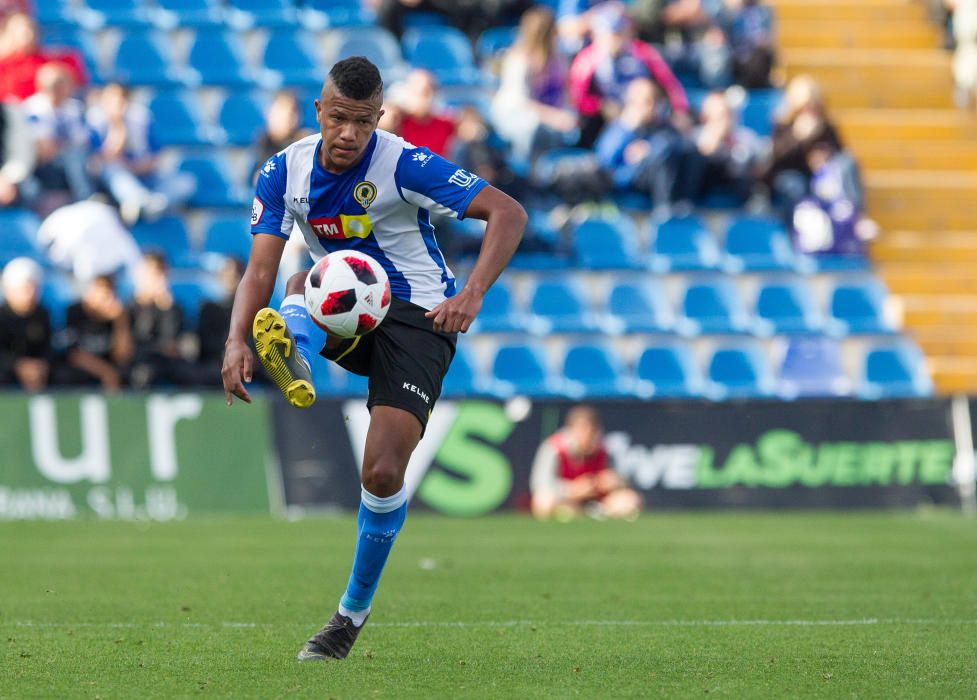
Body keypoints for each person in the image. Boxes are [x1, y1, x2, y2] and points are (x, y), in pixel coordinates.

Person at [221, 57, 526, 660]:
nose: (348, 134)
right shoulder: (284, 172)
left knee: (382, 473)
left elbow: (509, 213)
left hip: (420, 318)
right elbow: (258, 267)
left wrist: (471, 293)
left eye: (362, 122)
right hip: (345, 305)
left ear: (378, 118)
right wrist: (235, 340)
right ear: (319, 111)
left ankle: (348, 616)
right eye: (338, 119)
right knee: (300, 277)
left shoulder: (403, 162)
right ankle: (295, 353)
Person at [568, 2, 690, 148]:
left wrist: (679, 110)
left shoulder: (643, 52)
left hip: (645, 114)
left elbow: (670, 84)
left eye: (619, 32)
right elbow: (576, 98)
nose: (615, 39)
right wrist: (600, 105)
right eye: (610, 33)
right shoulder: (586, 61)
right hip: (607, 120)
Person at [88, 82, 189, 224]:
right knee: (116, 173)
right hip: (116, 178)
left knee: (185, 182)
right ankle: (138, 200)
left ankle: (150, 205)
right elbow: (106, 158)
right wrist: (118, 125)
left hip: (144, 173)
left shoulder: (142, 117)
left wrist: (137, 167)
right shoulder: (95, 119)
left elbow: (155, 156)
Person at [491, 6, 577, 162]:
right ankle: (532, 173)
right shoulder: (519, 60)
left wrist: (566, 113)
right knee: (537, 128)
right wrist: (553, 117)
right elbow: (521, 102)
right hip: (516, 115)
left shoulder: (558, 57)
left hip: (547, 112)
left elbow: (565, 92)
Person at [595, 77, 697, 209]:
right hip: (623, 180)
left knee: (686, 151)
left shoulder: (660, 127)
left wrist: (650, 149)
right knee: (662, 152)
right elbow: (604, 162)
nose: (646, 107)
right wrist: (627, 128)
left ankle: (684, 208)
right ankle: (664, 211)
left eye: (651, 101)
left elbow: (675, 144)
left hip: (654, 178)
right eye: (638, 101)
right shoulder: (619, 128)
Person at [530, 405, 642, 520]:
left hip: (598, 502)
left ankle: (596, 514)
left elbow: (624, 482)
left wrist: (614, 482)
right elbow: (541, 485)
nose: (586, 435)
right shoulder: (553, 448)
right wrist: (572, 490)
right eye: (581, 429)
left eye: (591, 430)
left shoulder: (605, 449)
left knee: (630, 500)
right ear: (571, 429)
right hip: (567, 500)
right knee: (543, 501)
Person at [23, 62, 93, 207]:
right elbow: (44, 150)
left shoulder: (74, 108)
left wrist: (62, 145)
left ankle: (88, 200)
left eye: (62, 84)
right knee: (74, 156)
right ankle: (86, 198)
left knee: (80, 158)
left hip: (69, 163)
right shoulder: (32, 109)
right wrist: (66, 145)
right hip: (40, 167)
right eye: (54, 86)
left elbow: (83, 141)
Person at [128, 251, 194, 388]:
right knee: (141, 376)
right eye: (151, 273)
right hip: (140, 361)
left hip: (168, 362)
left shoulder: (173, 308)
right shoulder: (130, 307)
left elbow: (172, 342)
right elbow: (137, 339)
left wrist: (166, 307)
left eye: (159, 273)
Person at [36, 199, 142, 284]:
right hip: (57, 254)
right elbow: (131, 256)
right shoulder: (106, 216)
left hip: (48, 244)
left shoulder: (91, 210)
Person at [57, 274, 133, 390]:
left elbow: (122, 356)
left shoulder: (117, 315)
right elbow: (74, 354)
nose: (106, 300)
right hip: (86, 367)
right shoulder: (75, 312)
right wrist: (105, 372)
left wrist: (120, 322)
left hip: (108, 364)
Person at [692, 90, 765, 204]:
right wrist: (709, 146)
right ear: (705, 118)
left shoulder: (745, 137)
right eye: (720, 116)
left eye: (728, 114)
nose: (725, 121)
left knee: (742, 158)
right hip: (704, 188)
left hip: (739, 188)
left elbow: (761, 160)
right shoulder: (694, 137)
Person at [0, 12, 86, 103]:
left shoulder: (47, 60)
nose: (29, 35)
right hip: (13, 110)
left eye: (31, 29)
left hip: (42, 110)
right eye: (23, 31)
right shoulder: (4, 64)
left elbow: (74, 73)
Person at [0, 257, 52, 391]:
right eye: (24, 288)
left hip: (38, 371)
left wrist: (41, 365)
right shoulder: (2, 316)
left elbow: (48, 347)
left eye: (33, 287)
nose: (30, 293)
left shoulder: (42, 314)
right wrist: (18, 366)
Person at [394, 69, 455, 156]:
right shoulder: (397, 122)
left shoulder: (447, 123)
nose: (428, 97)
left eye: (433, 90)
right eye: (423, 92)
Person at [254, 90, 312, 173]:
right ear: (269, 113)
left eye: (292, 112)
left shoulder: (305, 141)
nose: (286, 118)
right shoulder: (263, 140)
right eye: (281, 112)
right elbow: (257, 177)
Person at [0, 100, 37, 207]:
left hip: (9, 182)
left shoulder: (8, 112)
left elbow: (21, 154)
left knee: (30, 190)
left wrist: (7, 178)